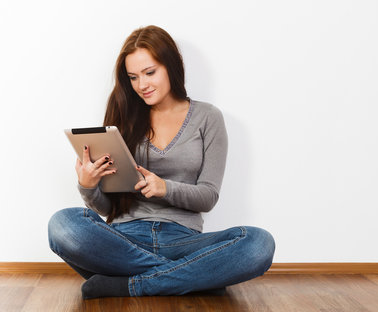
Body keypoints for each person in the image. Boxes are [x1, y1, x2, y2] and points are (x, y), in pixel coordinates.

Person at [48, 25, 275, 299]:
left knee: (258, 243)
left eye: (150, 72)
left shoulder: (207, 118)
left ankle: (133, 284)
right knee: (61, 224)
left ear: (171, 66)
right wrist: (88, 186)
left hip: (184, 240)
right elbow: (110, 206)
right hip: (123, 240)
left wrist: (164, 187)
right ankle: (193, 277)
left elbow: (208, 197)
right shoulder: (123, 118)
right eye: (133, 77)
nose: (141, 85)